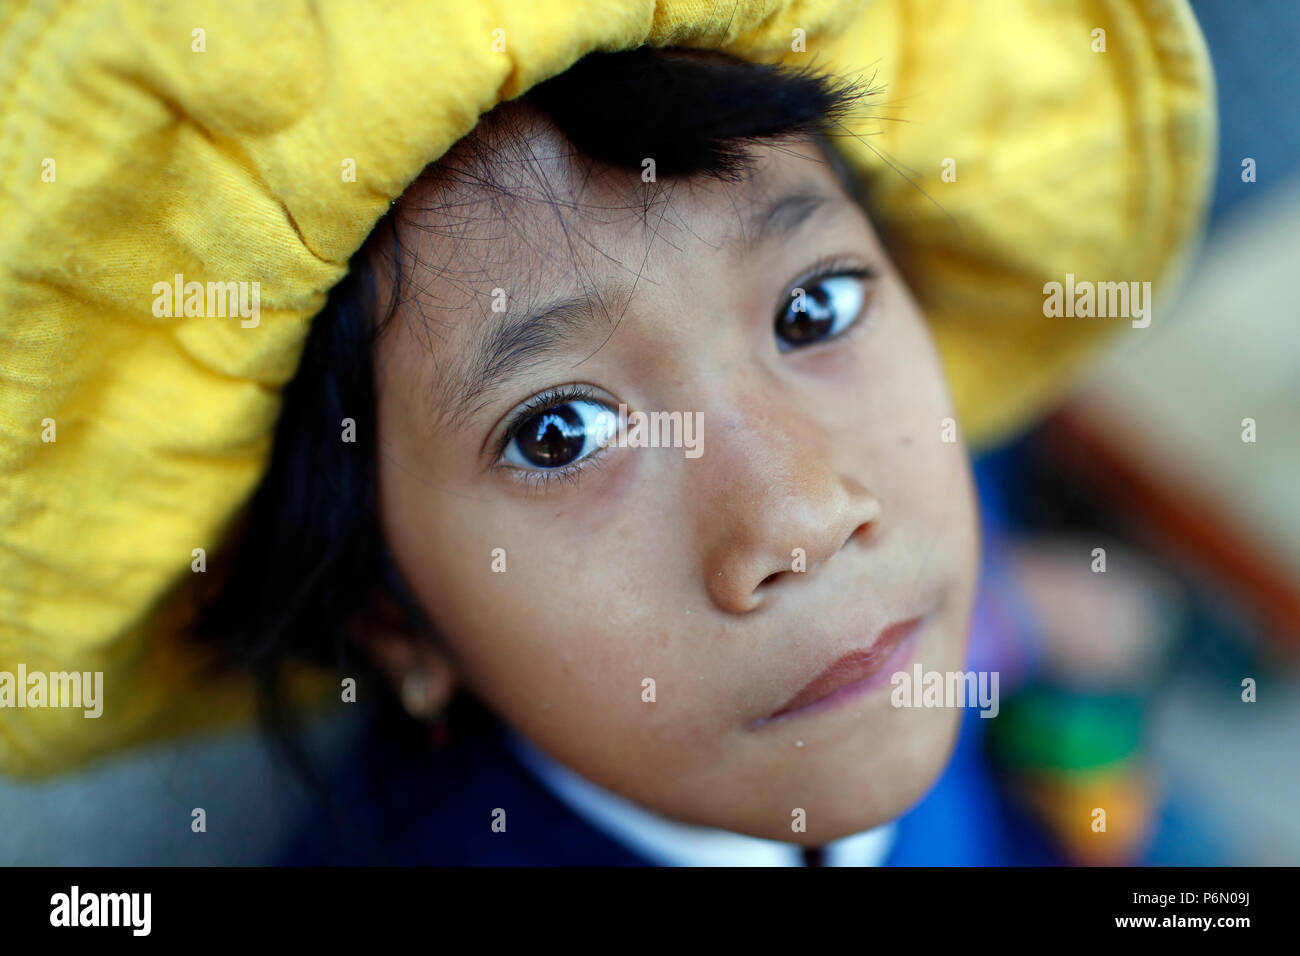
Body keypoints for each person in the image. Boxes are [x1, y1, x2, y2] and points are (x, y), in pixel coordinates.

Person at [0, 0, 1216, 865]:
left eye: (815, 306)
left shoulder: (875, 632)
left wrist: (1024, 618)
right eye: (560, 432)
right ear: (392, 617)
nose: (803, 511)